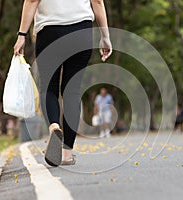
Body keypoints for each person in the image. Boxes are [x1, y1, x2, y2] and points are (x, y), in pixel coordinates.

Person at [14, 0, 112, 166]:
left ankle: (53, 127)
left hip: (50, 32)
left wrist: (21, 35)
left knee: (48, 88)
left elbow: (31, 1)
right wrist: (105, 36)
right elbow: (97, 2)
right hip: (82, 32)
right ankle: (67, 154)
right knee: (72, 92)